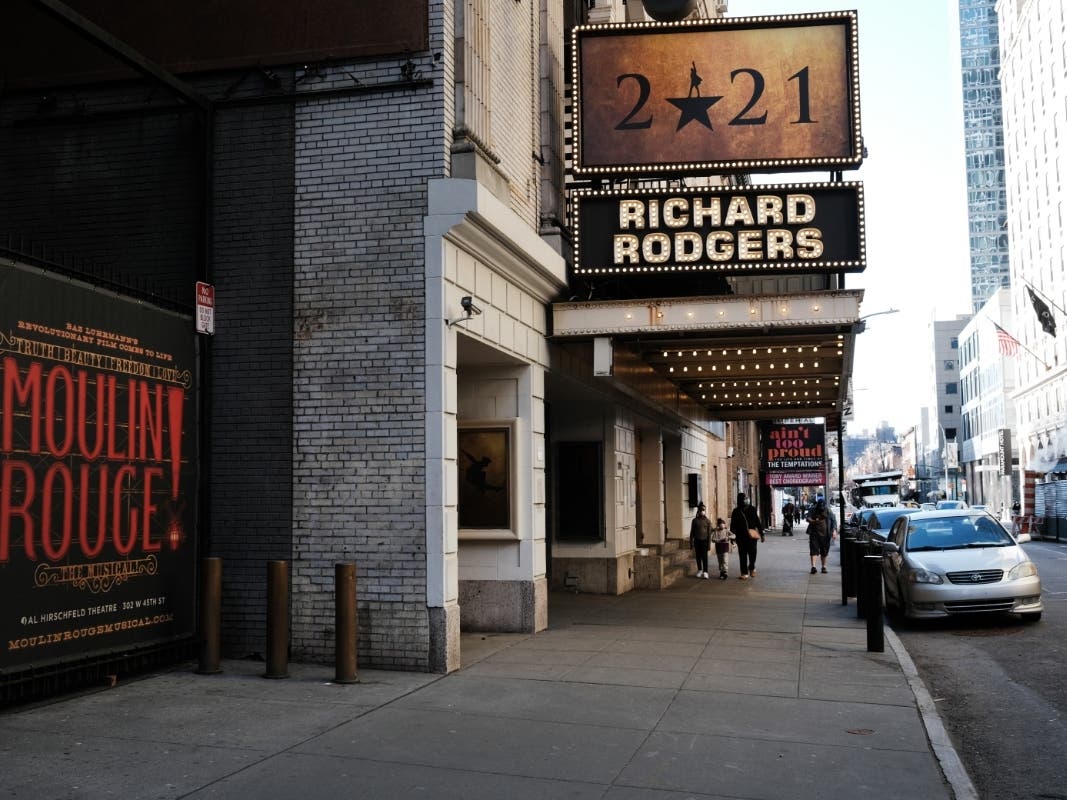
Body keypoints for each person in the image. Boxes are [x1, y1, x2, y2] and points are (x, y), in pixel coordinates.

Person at [730, 493, 763, 580]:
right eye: (744, 498)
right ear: (740, 500)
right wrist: (732, 536)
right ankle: (744, 573)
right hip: (740, 537)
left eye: (746, 498)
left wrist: (762, 534)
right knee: (742, 555)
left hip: (751, 536)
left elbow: (757, 521)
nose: (746, 499)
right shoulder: (736, 511)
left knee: (752, 554)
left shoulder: (752, 509)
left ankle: (752, 567)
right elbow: (732, 525)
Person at [806, 501, 834, 574]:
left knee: (824, 552)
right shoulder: (813, 509)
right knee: (813, 550)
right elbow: (808, 517)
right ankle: (813, 567)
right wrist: (812, 521)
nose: (821, 509)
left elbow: (833, 521)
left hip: (825, 534)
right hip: (814, 533)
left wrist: (834, 530)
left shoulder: (828, 510)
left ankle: (824, 567)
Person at [689, 501, 713, 579]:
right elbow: (692, 532)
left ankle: (705, 571)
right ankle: (699, 570)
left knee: (704, 556)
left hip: (705, 541)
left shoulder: (708, 521)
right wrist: (691, 542)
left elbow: (709, 534)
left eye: (704, 510)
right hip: (697, 540)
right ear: (698, 511)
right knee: (698, 556)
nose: (703, 511)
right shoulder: (694, 520)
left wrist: (709, 544)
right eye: (701, 510)